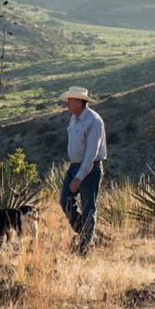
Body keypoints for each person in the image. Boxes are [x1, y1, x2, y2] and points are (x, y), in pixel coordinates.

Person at [58, 86, 107, 253]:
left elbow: (91, 154)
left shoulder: (94, 121)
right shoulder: (74, 118)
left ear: (79, 102)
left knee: (88, 207)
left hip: (89, 169)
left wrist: (79, 177)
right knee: (65, 200)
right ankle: (86, 235)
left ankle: (85, 246)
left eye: (70, 100)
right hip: (75, 166)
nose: (67, 103)